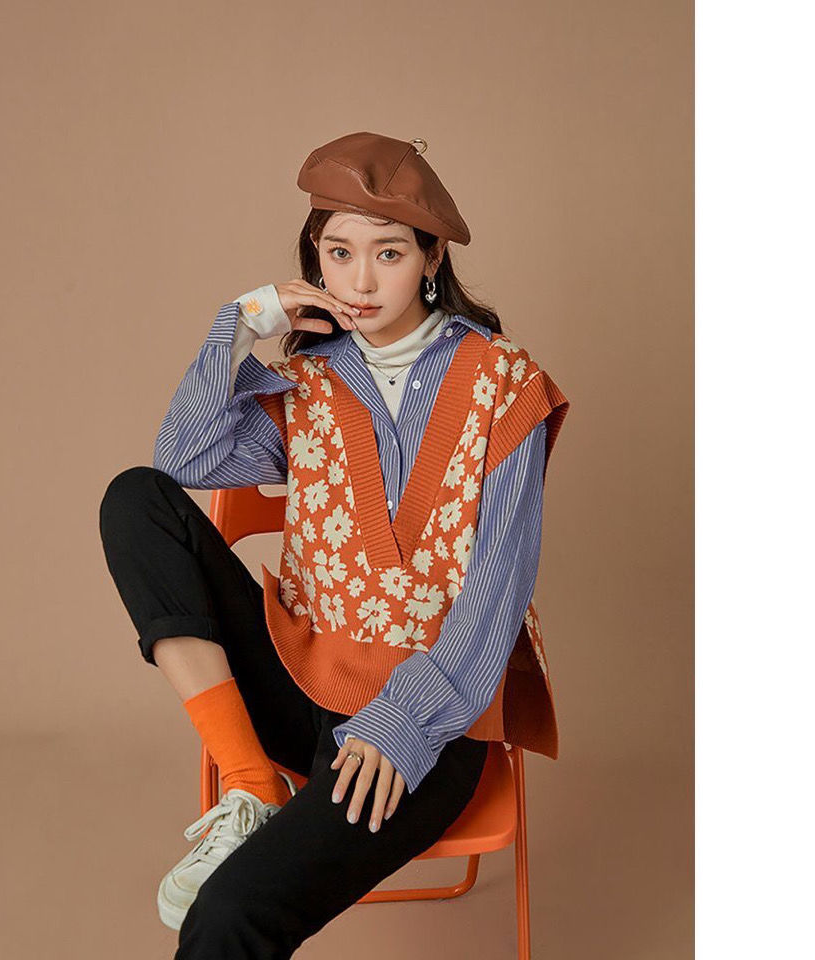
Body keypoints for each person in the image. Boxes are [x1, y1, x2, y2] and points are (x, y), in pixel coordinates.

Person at [98, 131, 570, 958]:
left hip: (430, 726)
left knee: (231, 914)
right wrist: (243, 324)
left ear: (431, 258)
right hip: (303, 682)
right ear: (314, 257)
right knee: (136, 499)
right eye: (339, 252)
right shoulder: (309, 381)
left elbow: (497, 589)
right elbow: (184, 459)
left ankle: (298, 799)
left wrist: (404, 723)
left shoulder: (504, 384)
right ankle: (251, 783)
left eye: (389, 253)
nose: (361, 281)